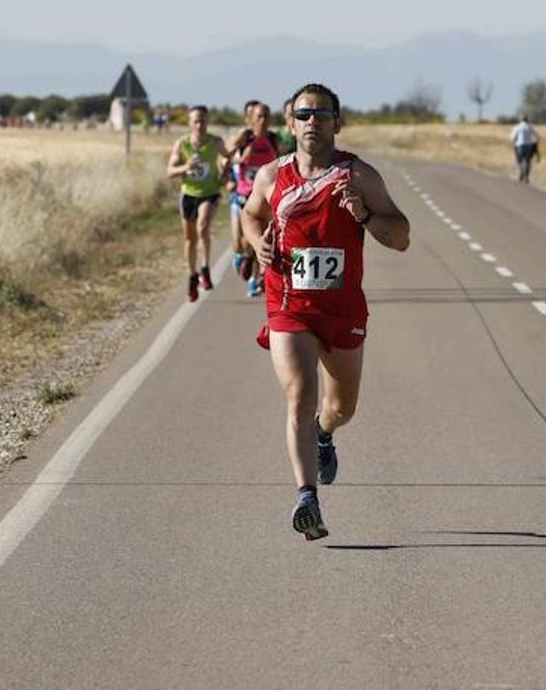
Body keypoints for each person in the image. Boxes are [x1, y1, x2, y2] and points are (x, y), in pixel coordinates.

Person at [242, 83, 410, 540]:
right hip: (288, 304)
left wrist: (365, 217)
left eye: (321, 113)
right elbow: (250, 214)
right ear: (290, 122)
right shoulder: (272, 177)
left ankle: (324, 434)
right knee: (299, 394)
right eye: (303, 113)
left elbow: (401, 237)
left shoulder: (359, 177)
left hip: (342, 309)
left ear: (337, 122)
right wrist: (259, 244)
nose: (312, 121)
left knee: (341, 408)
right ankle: (306, 498)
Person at [166, 106, 229, 302]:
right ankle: (192, 276)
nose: (200, 125)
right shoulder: (182, 144)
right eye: (196, 121)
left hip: (209, 193)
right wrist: (186, 166)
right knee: (190, 240)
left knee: (203, 228)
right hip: (188, 195)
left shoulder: (215, 141)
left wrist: (225, 168)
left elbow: (229, 157)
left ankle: (205, 268)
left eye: (203, 121)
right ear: (189, 123)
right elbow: (170, 171)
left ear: (207, 122)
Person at [230, 100, 282, 297]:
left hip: (264, 198)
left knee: (259, 239)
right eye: (259, 116)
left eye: (267, 116)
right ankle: (242, 256)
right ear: (251, 119)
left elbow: (284, 160)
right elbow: (225, 159)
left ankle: (255, 280)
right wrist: (238, 160)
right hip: (242, 194)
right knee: (239, 243)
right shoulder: (244, 139)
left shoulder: (274, 140)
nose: (263, 120)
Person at [510, 115, 540, 183]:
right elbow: (537, 137)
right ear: (527, 120)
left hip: (519, 145)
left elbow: (512, 137)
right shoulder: (530, 127)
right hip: (529, 146)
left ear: (520, 120)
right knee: (528, 162)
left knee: (519, 161)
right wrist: (535, 144)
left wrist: (514, 142)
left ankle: (521, 172)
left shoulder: (517, 127)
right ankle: (527, 177)